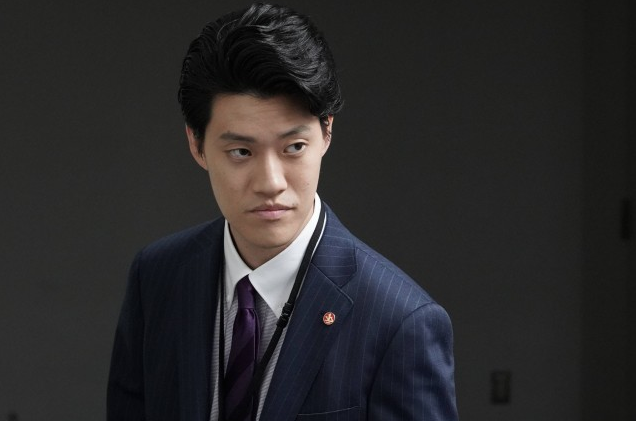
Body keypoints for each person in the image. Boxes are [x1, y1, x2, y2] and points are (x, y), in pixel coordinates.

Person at [107, 3, 458, 421]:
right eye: (241, 151)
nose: (271, 182)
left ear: (327, 132)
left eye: (294, 147)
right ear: (196, 145)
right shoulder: (157, 277)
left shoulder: (400, 322)